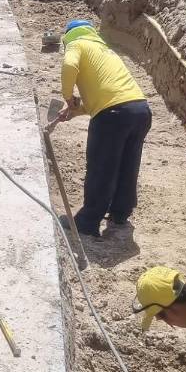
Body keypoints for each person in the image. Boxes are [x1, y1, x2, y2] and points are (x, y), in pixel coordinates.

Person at [53, 20, 151, 238]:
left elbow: (69, 66)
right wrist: (75, 110)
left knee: (101, 168)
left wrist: (68, 97)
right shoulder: (105, 51)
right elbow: (109, 98)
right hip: (140, 110)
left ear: (69, 35)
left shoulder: (77, 43)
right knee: (128, 165)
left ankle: (87, 222)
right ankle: (120, 216)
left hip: (113, 116)